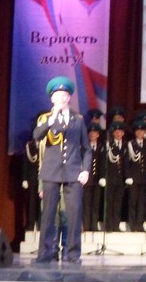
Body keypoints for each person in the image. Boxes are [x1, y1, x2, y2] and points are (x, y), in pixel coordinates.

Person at [32, 76, 91, 264]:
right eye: (58, 95)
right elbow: (37, 135)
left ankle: (73, 254)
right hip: (51, 172)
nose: (62, 98)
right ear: (52, 98)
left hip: (73, 173)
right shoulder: (45, 119)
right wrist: (52, 118)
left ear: (69, 97)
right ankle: (45, 252)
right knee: (48, 215)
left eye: (65, 95)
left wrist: (85, 170)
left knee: (73, 215)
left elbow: (87, 148)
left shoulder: (78, 120)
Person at [126, 118, 146, 232]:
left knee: (142, 203)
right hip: (134, 178)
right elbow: (127, 162)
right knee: (133, 202)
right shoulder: (131, 144)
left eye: (142, 130)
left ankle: (140, 224)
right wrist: (128, 176)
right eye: (138, 131)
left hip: (144, 178)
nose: (140, 132)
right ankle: (132, 224)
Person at [104, 120, 127, 232]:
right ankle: (108, 226)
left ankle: (116, 225)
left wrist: (127, 177)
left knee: (118, 203)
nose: (118, 134)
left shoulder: (126, 145)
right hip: (110, 178)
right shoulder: (109, 145)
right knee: (109, 203)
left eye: (120, 131)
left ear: (123, 133)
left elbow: (127, 163)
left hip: (121, 179)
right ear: (113, 133)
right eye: (116, 131)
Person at [82, 122, 105, 232]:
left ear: (98, 135)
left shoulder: (101, 147)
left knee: (95, 204)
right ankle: (86, 225)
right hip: (87, 180)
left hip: (97, 180)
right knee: (86, 204)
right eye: (90, 133)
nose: (92, 135)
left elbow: (102, 163)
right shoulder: (84, 148)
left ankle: (94, 225)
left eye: (94, 133)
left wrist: (102, 177)